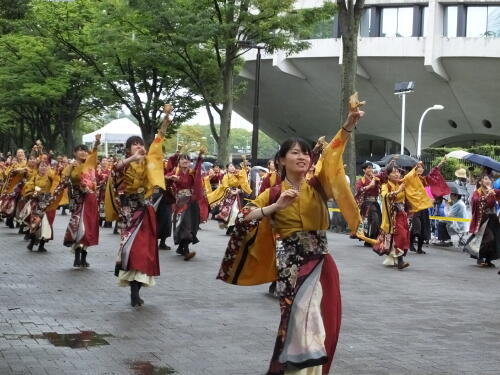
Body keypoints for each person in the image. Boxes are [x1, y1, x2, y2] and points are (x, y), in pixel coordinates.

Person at [217, 97, 365, 375]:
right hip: (290, 263)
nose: (302, 157)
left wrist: (347, 126)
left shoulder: (317, 187)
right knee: (296, 318)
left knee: (323, 321)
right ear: (281, 160)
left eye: (306, 153)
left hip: (321, 262)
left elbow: (332, 155)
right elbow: (244, 217)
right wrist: (275, 207)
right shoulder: (272, 193)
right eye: (295, 153)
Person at [105, 104, 170, 307]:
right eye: (134, 144)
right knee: (132, 250)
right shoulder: (124, 164)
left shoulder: (149, 162)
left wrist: (165, 122)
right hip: (128, 211)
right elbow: (114, 173)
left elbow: (158, 144)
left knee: (144, 250)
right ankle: (133, 289)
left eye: (139, 144)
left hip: (145, 210)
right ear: (128, 149)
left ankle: (137, 289)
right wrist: (132, 158)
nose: (138, 146)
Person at [55, 135, 101, 268]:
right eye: (80, 150)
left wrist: (97, 143)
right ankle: (77, 256)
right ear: (74, 153)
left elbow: (94, 180)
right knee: (79, 227)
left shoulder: (90, 165)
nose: (83, 152)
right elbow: (63, 179)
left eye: (85, 150)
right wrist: (70, 167)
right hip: (78, 200)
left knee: (89, 228)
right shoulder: (72, 166)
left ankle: (84, 256)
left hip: (91, 199)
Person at [167, 148, 209, 260]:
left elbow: (197, 168)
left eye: (187, 159)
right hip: (181, 202)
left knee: (192, 225)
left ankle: (181, 247)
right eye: (183, 159)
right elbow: (165, 177)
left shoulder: (191, 172)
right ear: (179, 161)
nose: (185, 161)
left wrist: (199, 156)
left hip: (191, 201)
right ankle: (186, 251)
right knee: (184, 224)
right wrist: (171, 178)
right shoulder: (175, 171)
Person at [207, 158, 252, 234]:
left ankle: (231, 228)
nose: (232, 168)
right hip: (228, 196)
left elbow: (243, 179)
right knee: (228, 212)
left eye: (233, 166)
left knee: (236, 212)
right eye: (230, 166)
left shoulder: (237, 175)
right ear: (227, 168)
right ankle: (228, 226)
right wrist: (231, 191)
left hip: (237, 196)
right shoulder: (226, 176)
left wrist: (244, 166)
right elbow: (225, 185)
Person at [464, 174, 500, 268]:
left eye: (489, 180)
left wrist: (494, 193)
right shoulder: (477, 192)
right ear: (481, 182)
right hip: (482, 219)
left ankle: (488, 260)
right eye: (486, 179)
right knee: (489, 238)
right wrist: (487, 195)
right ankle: (479, 256)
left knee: (494, 240)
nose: (488, 181)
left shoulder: (493, 191)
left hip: (492, 219)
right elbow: (476, 201)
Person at [355, 162, 381, 245]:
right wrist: (369, 186)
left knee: (376, 220)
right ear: (364, 170)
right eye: (368, 168)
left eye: (371, 168)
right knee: (370, 221)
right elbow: (359, 190)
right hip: (366, 203)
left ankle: (372, 238)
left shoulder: (375, 178)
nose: (371, 169)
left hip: (375, 203)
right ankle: (368, 238)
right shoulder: (361, 180)